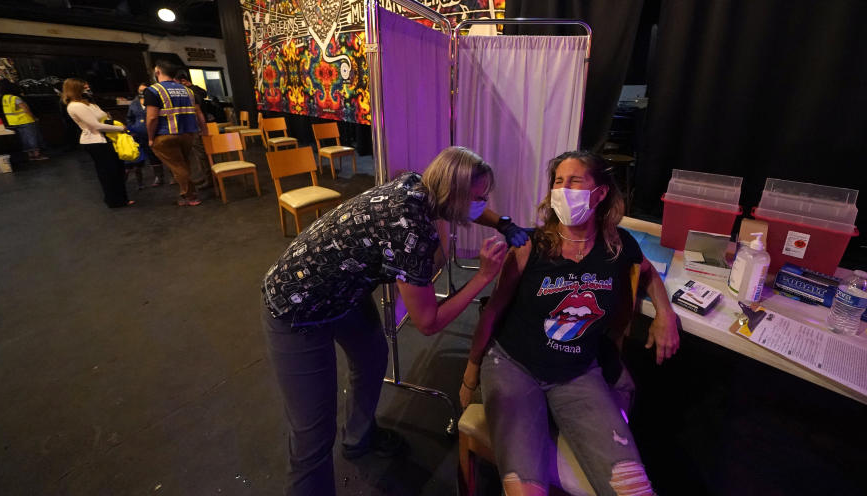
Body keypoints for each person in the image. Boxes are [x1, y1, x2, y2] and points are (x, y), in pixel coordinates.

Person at [261, 146, 531, 496]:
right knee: (313, 432)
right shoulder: (411, 231)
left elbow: (463, 206)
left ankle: (359, 438)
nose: (484, 203)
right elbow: (428, 322)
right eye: (479, 197)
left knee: (372, 358)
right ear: (454, 195)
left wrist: (502, 222)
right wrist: (482, 278)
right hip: (296, 306)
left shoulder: (420, 186)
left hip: (344, 290)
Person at [459, 151, 681, 496]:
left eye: (575, 181)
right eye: (558, 182)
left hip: (579, 373)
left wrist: (665, 314)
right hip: (513, 365)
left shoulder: (618, 245)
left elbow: (649, 275)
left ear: (601, 192)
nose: (564, 189)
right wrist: (471, 370)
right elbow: (493, 310)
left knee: (634, 490)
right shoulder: (530, 245)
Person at [62, 77, 132, 208]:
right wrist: (120, 128)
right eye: (85, 86)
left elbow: (104, 117)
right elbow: (96, 126)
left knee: (118, 170)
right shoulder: (75, 106)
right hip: (96, 142)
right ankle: (114, 200)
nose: (88, 88)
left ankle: (122, 198)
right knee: (108, 172)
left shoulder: (89, 103)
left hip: (107, 138)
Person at [144, 61, 207, 206]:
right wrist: (204, 130)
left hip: (166, 135)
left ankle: (191, 196)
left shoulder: (153, 90)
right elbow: (198, 113)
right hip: (188, 134)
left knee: (178, 167)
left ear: (158, 71)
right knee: (183, 164)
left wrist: (150, 138)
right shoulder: (188, 90)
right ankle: (186, 194)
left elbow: (152, 117)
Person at [175, 71, 213, 189]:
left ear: (184, 82)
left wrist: (203, 128)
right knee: (199, 154)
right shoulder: (196, 91)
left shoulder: (192, 93)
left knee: (202, 154)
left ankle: (209, 178)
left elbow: (198, 111)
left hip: (197, 126)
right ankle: (206, 176)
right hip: (197, 126)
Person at [126, 83, 165, 187]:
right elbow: (129, 118)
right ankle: (155, 178)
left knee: (160, 154)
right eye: (140, 90)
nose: (142, 92)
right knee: (146, 156)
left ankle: (167, 176)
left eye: (144, 90)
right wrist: (132, 129)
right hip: (139, 134)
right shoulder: (134, 103)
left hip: (156, 132)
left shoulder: (155, 101)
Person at [0, 79, 48, 161]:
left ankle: (30, 155)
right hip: (25, 120)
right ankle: (37, 155)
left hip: (14, 122)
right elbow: (25, 109)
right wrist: (33, 117)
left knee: (24, 139)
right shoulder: (15, 98)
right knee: (32, 138)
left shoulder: (4, 98)